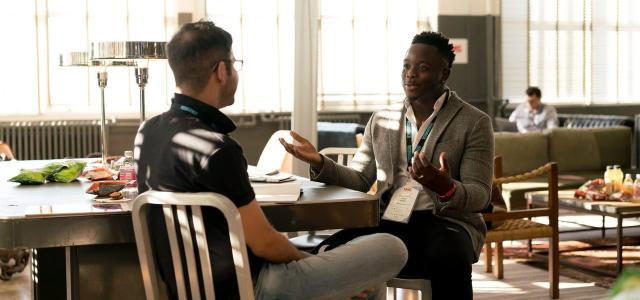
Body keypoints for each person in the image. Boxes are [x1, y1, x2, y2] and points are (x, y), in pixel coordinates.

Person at [134, 21, 407, 300]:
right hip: (252, 289)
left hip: (187, 291)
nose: (236, 72)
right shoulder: (219, 149)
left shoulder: (147, 132)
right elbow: (264, 243)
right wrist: (309, 265)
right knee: (391, 247)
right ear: (221, 71)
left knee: (367, 285)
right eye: (234, 63)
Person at [281, 31, 493, 299]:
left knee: (449, 256)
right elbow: (359, 179)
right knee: (332, 250)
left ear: (444, 74)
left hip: (446, 221)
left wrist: (445, 186)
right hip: (390, 218)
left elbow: (480, 195)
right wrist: (320, 162)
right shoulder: (382, 118)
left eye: (423, 68)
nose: (410, 74)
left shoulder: (474, 122)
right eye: (406, 66)